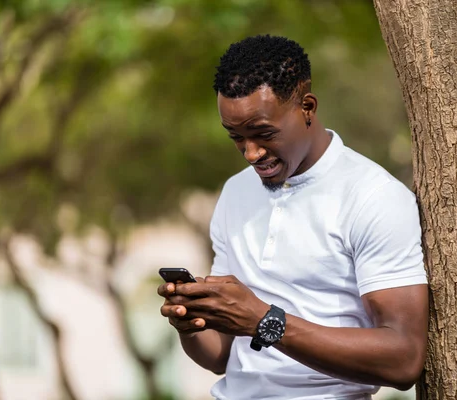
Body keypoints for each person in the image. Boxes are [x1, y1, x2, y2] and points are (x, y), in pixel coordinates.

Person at [158, 34, 428, 400]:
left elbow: (403, 358)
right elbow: (222, 355)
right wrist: (191, 323)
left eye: (263, 134)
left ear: (307, 108)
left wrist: (265, 322)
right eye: (235, 137)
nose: (251, 153)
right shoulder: (236, 193)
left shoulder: (373, 197)